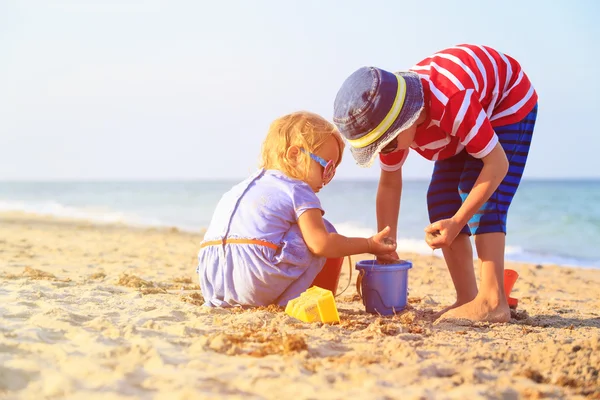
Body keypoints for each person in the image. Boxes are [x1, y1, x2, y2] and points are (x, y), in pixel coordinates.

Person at [333, 44, 538, 322]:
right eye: (377, 146)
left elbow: (497, 165)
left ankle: (492, 301)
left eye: (387, 143)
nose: (386, 151)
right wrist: (386, 244)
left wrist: (458, 221)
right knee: (440, 197)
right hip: (457, 122)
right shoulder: (392, 121)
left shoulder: (452, 103)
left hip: (506, 102)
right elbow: (390, 184)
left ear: (408, 119)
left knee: (476, 194)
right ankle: (468, 297)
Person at [197, 111, 397, 307]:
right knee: (323, 232)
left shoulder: (240, 188)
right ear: (294, 155)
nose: (327, 179)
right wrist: (369, 244)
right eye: (326, 168)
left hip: (212, 280)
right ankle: (299, 300)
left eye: (333, 172)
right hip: (254, 278)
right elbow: (321, 245)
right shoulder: (297, 188)